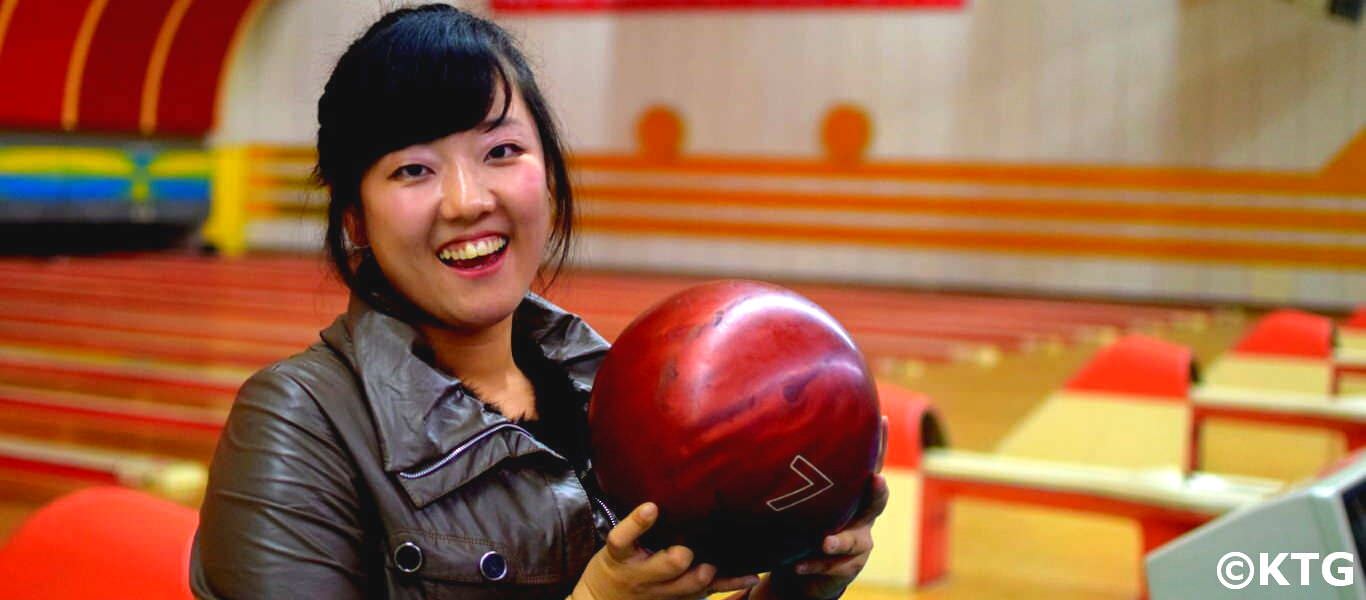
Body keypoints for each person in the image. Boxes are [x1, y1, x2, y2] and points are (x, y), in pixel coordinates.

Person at [190, 4, 888, 599]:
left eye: (501, 151)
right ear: (354, 223)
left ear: (548, 177)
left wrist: (795, 587)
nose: (469, 201)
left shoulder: (618, 393)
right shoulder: (299, 427)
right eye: (413, 169)